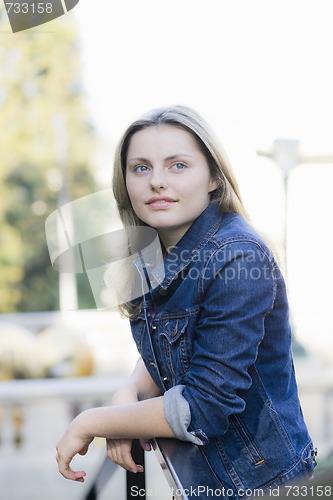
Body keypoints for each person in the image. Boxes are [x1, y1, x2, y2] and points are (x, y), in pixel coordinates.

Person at [56, 105, 316, 497]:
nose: (157, 181)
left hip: (262, 486)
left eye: (177, 165)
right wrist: (129, 391)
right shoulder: (150, 255)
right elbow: (172, 345)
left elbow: (205, 406)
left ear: (214, 177)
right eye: (140, 168)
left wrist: (95, 421)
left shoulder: (237, 256)